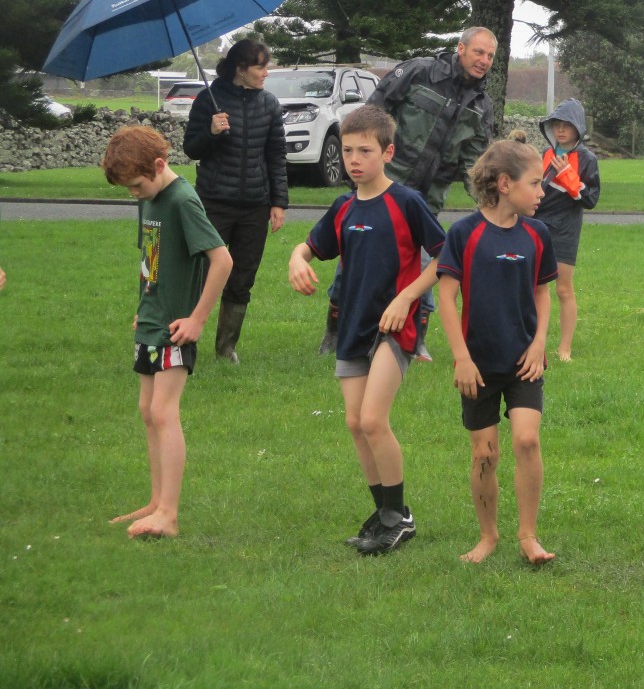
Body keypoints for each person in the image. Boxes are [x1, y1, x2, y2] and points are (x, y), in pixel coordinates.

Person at [288, 106, 446, 555]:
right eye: (347, 151)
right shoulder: (343, 207)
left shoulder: (406, 202)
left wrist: (405, 298)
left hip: (395, 326)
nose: (354, 160)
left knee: (374, 419)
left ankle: (398, 518)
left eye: (365, 151)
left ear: (388, 153)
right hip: (352, 324)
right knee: (356, 423)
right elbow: (310, 246)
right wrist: (296, 258)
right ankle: (384, 515)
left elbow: (446, 255)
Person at [101, 125, 233, 538]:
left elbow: (223, 261)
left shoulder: (182, 200)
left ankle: (169, 515)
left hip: (176, 329)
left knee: (163, 411)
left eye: (137, 185)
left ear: (159, 165)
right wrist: (145, 306)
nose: (134, 194)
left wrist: (197, 319)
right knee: (148, 411)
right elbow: (151, 258)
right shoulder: (150, 197)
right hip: (152, 321)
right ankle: (156, 502)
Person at [437, 139, 559, 565]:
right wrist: (461, 358)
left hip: (524, 361)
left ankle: (529, 536)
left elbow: (543, 293)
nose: (542, 192)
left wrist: (540, 343)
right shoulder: (464, 234)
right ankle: (488, 536)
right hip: (478, 366)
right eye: (535, 183)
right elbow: (446, 297)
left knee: (527, 440)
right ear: (505, 184)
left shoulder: (538, 234)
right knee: (484, 454)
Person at [183, 38, 288, 364]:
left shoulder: (269, 104)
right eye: (261, 67)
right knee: (200, 276)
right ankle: (185, 341)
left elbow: (276, 156)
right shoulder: (208, 100)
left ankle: (226, 348)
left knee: (242, 278)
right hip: (214, 203)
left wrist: (278, 202)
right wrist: (211, 132)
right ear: (241, 69)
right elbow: (191, 149)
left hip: (255, 206)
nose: (266, 73)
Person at [368, 26, 498, 214]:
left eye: (490, 56)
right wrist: (362, 170)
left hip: (429, 202)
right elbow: (372, 115)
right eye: (479, 52)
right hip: (387, 184)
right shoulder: (420, 72)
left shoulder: (482, 106)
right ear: (461, 48)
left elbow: (476, 164)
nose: (484, 61)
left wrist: (492, 205)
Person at [535, 99, 601, 362]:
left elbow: (591, 200)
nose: (560, 130)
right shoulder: (544, 154)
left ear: (578, 128)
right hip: (536, 226)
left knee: (563, 289)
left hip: (565, 229)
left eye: (567, 125)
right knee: (534, 288)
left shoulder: (587, 159)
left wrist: (570, 179)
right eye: (556, 125)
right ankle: (533, 342)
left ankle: (565, 348)